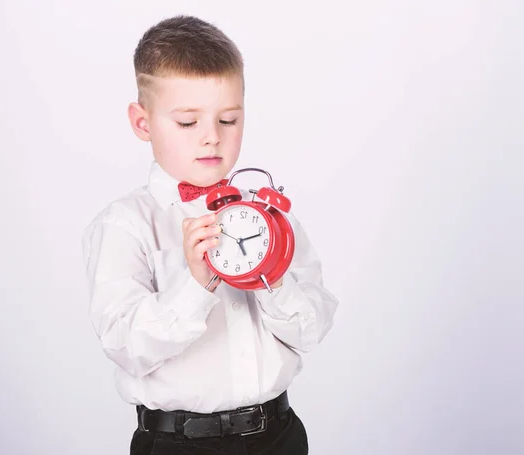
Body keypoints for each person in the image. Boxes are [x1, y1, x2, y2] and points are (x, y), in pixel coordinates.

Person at [81, 14, 339, 455]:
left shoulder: (269, 215)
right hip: (179, 443)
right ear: (143, 123)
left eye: (228, 119)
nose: (211, 139)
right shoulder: (125, 225)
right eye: (187, 123)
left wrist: (270, 274)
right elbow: (127, 346)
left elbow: (311, 331)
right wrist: (195, 285)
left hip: (279, 434)